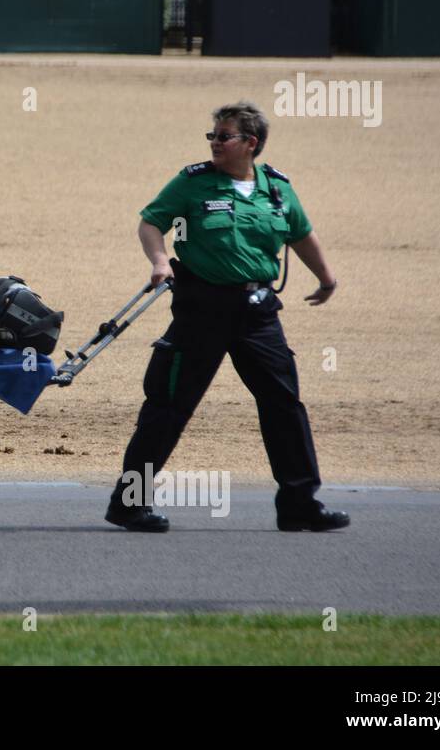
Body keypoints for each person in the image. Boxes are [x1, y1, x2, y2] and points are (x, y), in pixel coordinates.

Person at [105, 102, 348, 533]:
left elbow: (301, 233)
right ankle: (129, 503)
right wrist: (160, 261)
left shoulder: (276, 189)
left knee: (284, 404)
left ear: (250, 144)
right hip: (202, 309)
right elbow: (150, 223)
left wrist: (326, 278)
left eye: (224, 136)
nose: (215, 143)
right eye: (212, 136)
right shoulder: (192, 184)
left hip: (258, 313)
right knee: (168, 404)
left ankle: (299, 503)